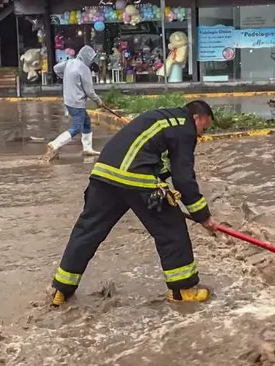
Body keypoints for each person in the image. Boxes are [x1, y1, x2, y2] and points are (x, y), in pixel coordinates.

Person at [48, 99, 222, 305]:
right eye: (203, 129)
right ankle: (182, 291)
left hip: (104, 174)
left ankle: (61, 289)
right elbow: (183, 178)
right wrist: (203, 216)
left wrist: (167, 186)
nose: (200, 136)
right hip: (135, 177)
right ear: (196, 118)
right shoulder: (184, 128)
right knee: (171, 229)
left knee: (88, 231)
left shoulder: (161, 118)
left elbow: (158, 162)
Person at [44, 45, 102, 162]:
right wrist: (98, 101)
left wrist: (66, 78)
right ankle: (54, 144)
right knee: (76, 128)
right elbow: (89, 91)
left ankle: (87, 148)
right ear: (87, 57)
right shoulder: (84, 69)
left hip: (69, 100)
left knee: (86, 122)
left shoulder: (70, 62)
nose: (92, 61)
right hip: (77, 102)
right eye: (91, 58)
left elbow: (56, 68)